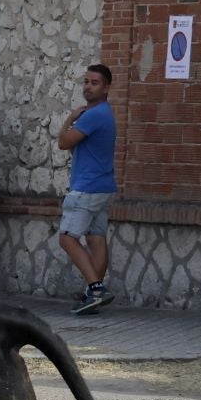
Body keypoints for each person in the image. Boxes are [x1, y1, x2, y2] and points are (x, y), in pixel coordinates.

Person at [60, 64, 118, 315]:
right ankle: (91, 294)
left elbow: (64, 143)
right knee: (96, 239)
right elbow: (78, 148)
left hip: (86, 187)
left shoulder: (92, 115)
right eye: (85, 82)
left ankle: (95, 288)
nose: (88, 87)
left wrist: (70, 119)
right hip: (104, 186)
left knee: (67, 238)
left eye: (94, 83)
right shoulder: (105, 113)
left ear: (106, 87)